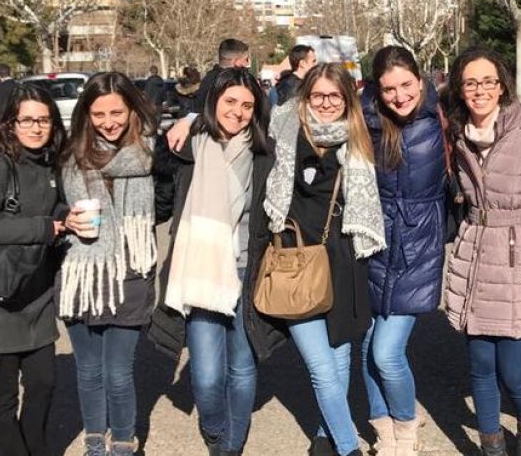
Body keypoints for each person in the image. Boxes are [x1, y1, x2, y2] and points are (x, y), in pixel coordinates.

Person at [157, 68, 286, 456]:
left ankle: (228, 446)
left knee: (243, 368)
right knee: (208, 376)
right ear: (212, 101)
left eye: (247, 105)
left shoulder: (265, 150)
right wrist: (190, 117)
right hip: (201, 269)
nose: (239, 112)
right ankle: (214, 429)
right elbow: (154, 174)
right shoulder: (189, 147)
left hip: (248, 270)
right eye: (230, 102)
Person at [263, 63, 385, 456]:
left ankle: (324, 435)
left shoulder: (358, 139)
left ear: (347, 98)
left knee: (339, 359)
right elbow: (234, 118)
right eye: (318, 96)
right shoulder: (283, 131)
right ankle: (348, 447)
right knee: (321, 369)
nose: (327, 103)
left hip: (344, 262)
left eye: (336, 96)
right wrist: (192, 120)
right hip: (295, 263)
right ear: (305, 97)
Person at [444, 48, 521, 456]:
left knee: (514, 372)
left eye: (488, 81)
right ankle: (491, 445)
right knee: (480, 370)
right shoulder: (458, 133)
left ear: (502, 84)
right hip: (476, 259)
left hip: (517, 260)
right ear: (459, 88)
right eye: (470, 82)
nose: (479, 91)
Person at [0, 83, 67, 456]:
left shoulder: (50, 162)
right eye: (27, 120)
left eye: (44, 120)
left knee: (44, 384)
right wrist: (41, 228)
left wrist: (66, 217)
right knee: (3, 397)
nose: (37, 128)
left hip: (37, 297)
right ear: (10, 123)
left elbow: (54, 208)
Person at [58, 72, 159, 456]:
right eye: (99, 114)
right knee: (88, 371)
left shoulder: (151, 153)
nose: (109, 121)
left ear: (132, 110)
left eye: (117, 111)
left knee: (118, 372)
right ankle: (94, 440)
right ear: (86, 115)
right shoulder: (69, 156)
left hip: (132, 272)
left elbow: (165, 201)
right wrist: (64, 219)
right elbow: (48, 205)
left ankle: (122, 441)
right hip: (81, 274)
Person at [359, 46, 446, 456]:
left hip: (418, 248)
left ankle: (407, 432)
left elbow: (497, 111)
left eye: (406, 85)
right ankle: (385, 433)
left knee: (387, 353)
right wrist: (193, 116)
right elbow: (302, 117)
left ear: (421, 80)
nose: (399, 96)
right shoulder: (363, 121)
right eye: (389, 88)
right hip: (374, 247)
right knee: (368, 347)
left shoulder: (444, 115)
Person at [168, 39, 252, 151]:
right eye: (245, 60)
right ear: (235, 61)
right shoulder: (227, 83)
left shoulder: (208, 79)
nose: (247, 64)